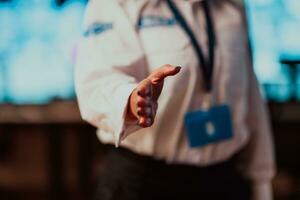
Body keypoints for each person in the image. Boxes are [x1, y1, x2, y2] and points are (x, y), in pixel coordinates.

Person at [75, 0, 276, 199]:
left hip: (224, 178)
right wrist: (133, 101)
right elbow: (97, 82)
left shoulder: (233, 6)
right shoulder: (117, 4)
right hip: (145, 180)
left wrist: (261, 182)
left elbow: (251, 97)